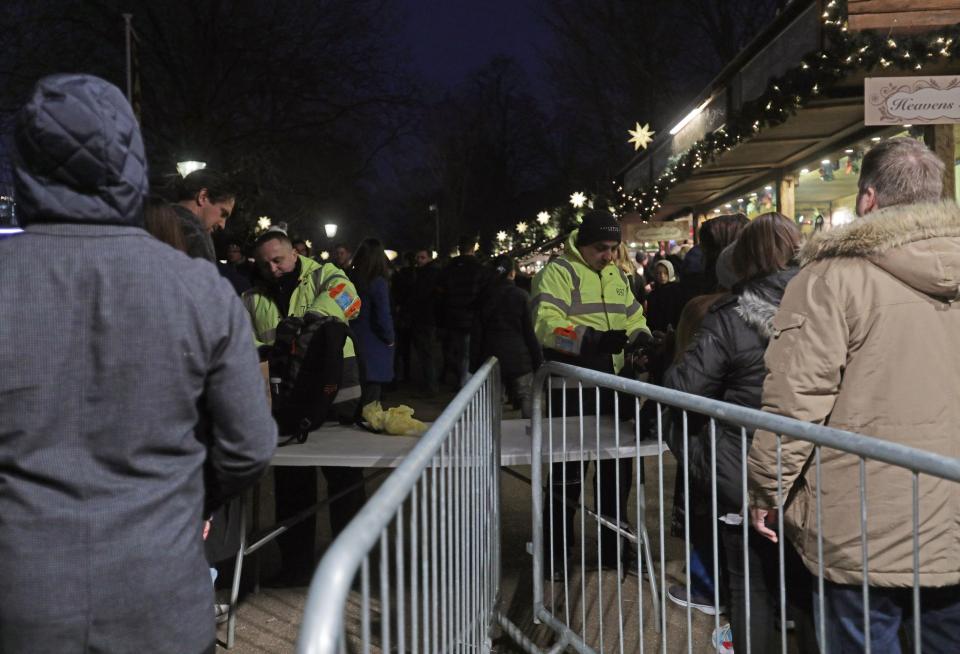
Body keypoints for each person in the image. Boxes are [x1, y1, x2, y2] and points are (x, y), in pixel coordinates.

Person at [0, 73, 275, 654]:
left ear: (25, 164)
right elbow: (249, 444)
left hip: (23, 599)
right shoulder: (198, 288)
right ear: (130, 162)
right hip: (160, 596)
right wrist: (185, 497)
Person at [749, 137, 960, 652]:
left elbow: (797, 397)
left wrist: (766, 489)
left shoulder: (829, 278)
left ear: (867, 199)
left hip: (862, 519)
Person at [664, 213, 817, 652]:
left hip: (744, 472)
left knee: (750, 585)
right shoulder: (827, 304)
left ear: (744, 260)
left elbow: (683, 387)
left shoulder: (729, 317)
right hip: (808, 467)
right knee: (806, 586)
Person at [242, 229, 366, 585]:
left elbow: (349, 299)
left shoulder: (324, 275)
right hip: (286, 394)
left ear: (294, 253)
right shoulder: (251, 295)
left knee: (344, 480)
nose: (273, 269)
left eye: (278, 260)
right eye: (266, 263)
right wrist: (266, 349)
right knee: (293, 485)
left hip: (336, 390)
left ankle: (349, 570)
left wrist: (311, 319)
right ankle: (295, 565)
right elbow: (238, 332)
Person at [531, 210, 650, 577]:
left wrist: (641, 336)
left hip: (614, 389)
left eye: (614, 248)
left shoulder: (616, 275)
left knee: (617, 477)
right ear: (581, 243)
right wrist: (590, 341)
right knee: (567, 478)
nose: (609, 256)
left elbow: (633, 316)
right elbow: (545, 325)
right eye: (601, 248)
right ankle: (555, 555)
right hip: (573, 390)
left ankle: (616, 553)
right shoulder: (558, 272)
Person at [470, 254, 543, 417]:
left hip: (491, 356)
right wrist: (538, 359)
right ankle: (530, 437)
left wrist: (474, 363)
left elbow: (477, 333)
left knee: (494, 401)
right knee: (526, 396)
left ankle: (494, 439)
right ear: (512, 273)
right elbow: (529, 332)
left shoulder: (484, 296)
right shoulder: (521, 295)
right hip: (519, 356)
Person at [348, 238, 396, 404]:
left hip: (353, 338)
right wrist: (389, 339)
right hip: (374, 342)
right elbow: (383, 316)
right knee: (372, 394)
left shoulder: (349, 278)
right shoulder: (378, 282)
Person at [436, 235, 487, 389]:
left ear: (459, 249)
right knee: (467, 351)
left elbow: (440, 291)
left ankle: (455, 375)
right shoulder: (480, 269)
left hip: (451, 315)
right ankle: (464, 382)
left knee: (453, 349)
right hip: (471, 316)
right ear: (473, 248)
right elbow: (484, 293)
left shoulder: (449, 267)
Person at [172, 168, 238, 262]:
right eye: (223, 213)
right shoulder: (196, 236)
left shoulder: (150, 220)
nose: (222, 225)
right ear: (203, 197)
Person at [410, 247, 441, 394]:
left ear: (429, 258)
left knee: (426, 352)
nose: (419, 260)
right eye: (418, 257)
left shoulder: (428, 274)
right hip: (424, 317)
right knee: (425, 353)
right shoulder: (424, 273)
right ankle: (430, 383)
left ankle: (431, 385)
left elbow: (422, 295)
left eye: (422, 257)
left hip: (426, 318)